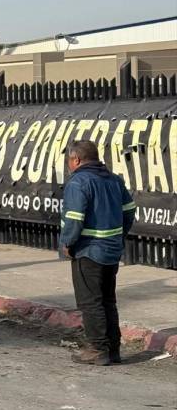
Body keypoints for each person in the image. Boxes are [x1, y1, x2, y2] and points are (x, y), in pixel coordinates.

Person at [60, 140, 135, 366]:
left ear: (76, 160)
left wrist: (67, 243)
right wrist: (118, 237)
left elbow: (73, 220)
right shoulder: (114, 180)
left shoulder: (78, 183)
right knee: (108, 301)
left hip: (88, 250)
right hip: (111, 250)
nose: (68, 166)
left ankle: (97, 348)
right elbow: (129, 211)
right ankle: (113, 349)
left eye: (69, 161)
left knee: (90, 302)